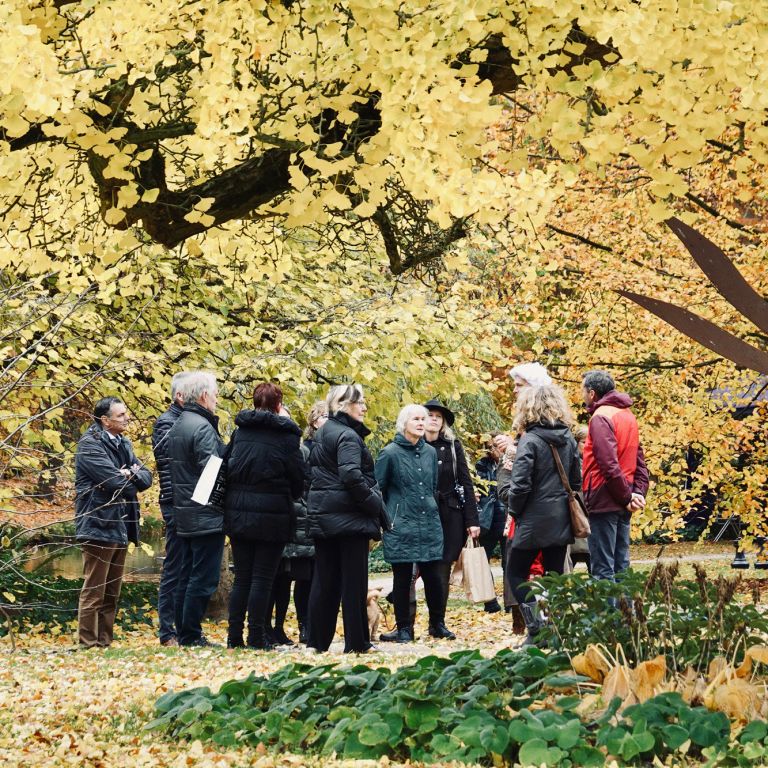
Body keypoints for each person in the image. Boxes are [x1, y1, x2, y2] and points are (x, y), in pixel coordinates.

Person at [224, 382, 305, 649]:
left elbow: (225, 466)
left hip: (238, 511)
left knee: (243, 577)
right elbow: (297, 478)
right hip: (273, 515)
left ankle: (234, 636)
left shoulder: (240, 431)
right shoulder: (287, 437)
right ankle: (256, 636)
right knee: (262, 578)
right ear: (278, 406)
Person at [306, 383, 385, 653]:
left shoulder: (323, 432)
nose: (364, 407)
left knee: (324, 581)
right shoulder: (348, 436)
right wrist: (375, 504)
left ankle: (317, 642)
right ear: (343, 405)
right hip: (349, 518)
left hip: (324, 516)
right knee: (354, 583)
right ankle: (357, 642)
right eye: (359, 402)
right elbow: (351, 475)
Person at [75, 397, 152, 648]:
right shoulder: (89, 445)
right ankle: (88, 643)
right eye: (120, 415)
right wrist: (128, 475)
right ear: (105, 420)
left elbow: (147, 477)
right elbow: (117, 485)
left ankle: (104, 642)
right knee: (94, 590)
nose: (126, 418)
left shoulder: (124, 443)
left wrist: (129, 473)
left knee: (112, 592)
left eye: (126, 413)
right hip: (98, 523)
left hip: (121, 524)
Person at [507, 384, 581, 645]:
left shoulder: (530, 439)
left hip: (533, 517)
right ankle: (557, 629)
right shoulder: (568, 438)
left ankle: (536, 629)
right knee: (554, 575)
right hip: (560, 515)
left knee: (516, 572)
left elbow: (520, 484)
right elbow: (576, 480)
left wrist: (514, 511)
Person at [375, 404, 453, 642]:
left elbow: (431, 487)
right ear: (404, 424)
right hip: (401, 522)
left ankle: (437, 624)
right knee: (402, 577)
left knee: (434, 577)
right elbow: (379, 489)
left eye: (424, 418)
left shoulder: (430, 453)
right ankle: (404, 628)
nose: (421, 422)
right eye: (416, 419)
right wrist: (390, 517)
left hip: (428, 520)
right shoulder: (389, 453)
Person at [168, 371, 226, 647]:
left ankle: (184, 632)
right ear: (204, 396)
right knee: (203, 578)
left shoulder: (181, 423)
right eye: (214, 394)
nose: (216, 399)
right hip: (204, 514)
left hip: (186, 511)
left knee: (187, 575)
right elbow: (212, 470)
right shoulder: (202, 427)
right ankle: (191, 634)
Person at [266, 400, 327, 646]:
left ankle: (290, 625)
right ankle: (268, 627)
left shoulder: (302, 450)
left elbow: (306, 484)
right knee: (275, 580)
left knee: (301, 577)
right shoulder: (290, 450)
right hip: (279, 521)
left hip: (301, 523)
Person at [581, 370, 649, 582]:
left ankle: (609, 615)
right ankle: (626, 613)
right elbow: (639, 461)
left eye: (583, 391)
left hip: (605, 498)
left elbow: (608, 464)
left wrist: (628, 497)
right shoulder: (627, 415)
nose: (582, 395)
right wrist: (636, 493)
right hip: (623, 496)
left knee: (603, 568)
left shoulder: (601, 417)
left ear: (592, 393)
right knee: (621, 565)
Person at [423, 398, 480, 617]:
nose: (434, 420)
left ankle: (438, 621)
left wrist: (472, 520)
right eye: (430, 415)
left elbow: (466, 482)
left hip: (450, 513)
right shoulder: (414, 446)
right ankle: (406, 624)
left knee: (442, 566)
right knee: (419, 567)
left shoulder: (453, 447)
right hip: (422, 513)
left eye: (438, 417)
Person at [152, 371, 191, 647]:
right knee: (174, 567)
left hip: (188, 501)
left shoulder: (185, 421)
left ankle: (184, 628)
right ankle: (167, 632)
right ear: (179, 396)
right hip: (175, 501)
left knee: (187, 567)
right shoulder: (165, 423)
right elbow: (169, 455)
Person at [476, 433, 507, 614]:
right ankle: (490, 601)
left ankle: (512, 602)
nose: (498, 449)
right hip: (487, 518)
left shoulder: (513, 460)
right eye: (494, 446)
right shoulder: (481, 466)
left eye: (499, 445)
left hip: (507, 516)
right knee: (483, 561)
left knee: (509, 561)